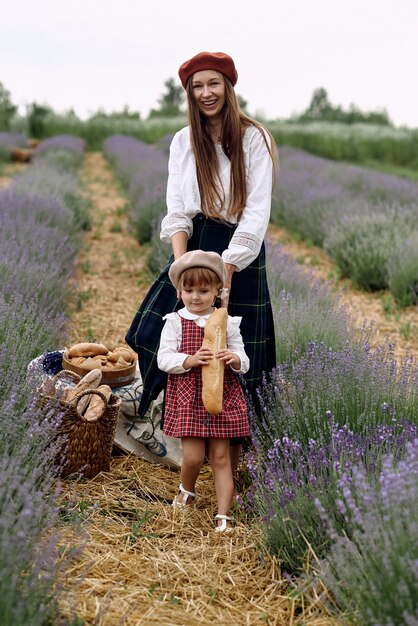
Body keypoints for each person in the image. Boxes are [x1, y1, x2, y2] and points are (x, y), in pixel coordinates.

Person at [125, 51, 278, 471]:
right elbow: (176, 208)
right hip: (194, 243)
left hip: (239, 251)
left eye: (213, 84)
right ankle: (166, 422)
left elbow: (257, 210)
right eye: (197, 86)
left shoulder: (253, 139)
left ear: (228, 87)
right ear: (189, 93)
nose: (206, 93)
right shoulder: (182, 141)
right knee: (151, 332)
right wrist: (183, 268)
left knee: (236, 349)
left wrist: (226, 267)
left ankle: (239, 451)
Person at [157, 250, 250, 531]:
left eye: (203, 290)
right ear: (179, 291)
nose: (195, 297)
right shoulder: (174, 322)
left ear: (218, 291)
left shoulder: (227, 322)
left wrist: (233, 359)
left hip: (221, 394)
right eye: (189, 290)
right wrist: (189, 360)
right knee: (194, 457)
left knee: (221, 458)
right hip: (188, 396)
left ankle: (224, 516)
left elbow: (243, 359)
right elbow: (163, 359)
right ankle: (187, 490)